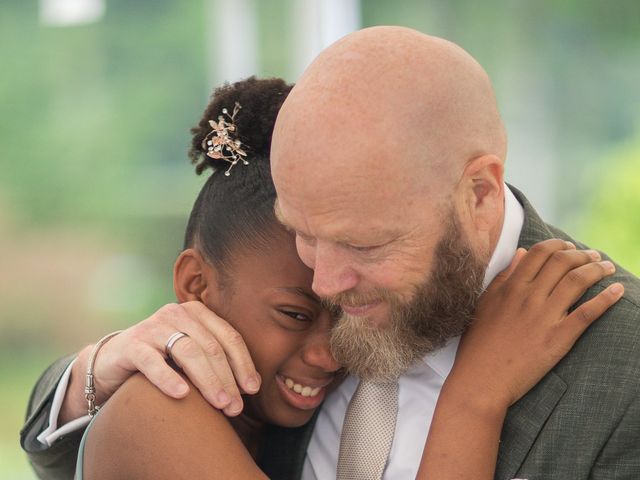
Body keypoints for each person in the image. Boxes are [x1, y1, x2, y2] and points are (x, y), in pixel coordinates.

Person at [21, 27, 638, 479]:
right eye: (305, 233)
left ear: (477, 192)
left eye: (364, 243)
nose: (327, 282)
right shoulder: (234, 367)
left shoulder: (624, 371)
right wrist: (97, 373)